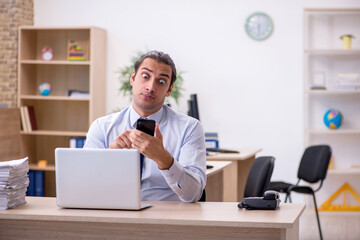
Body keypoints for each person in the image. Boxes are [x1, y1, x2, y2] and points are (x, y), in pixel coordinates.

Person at [84, 50, 206, 202]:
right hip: (114, 213)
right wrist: (110, 156)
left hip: (166, 218)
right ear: (133, 78)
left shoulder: (190, 128)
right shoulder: (101, 127)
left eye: (161, 81)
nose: (150, 87)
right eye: (145, 76)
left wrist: (164, 159)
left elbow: (193, 194)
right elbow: (85, 187)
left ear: (169, 90)